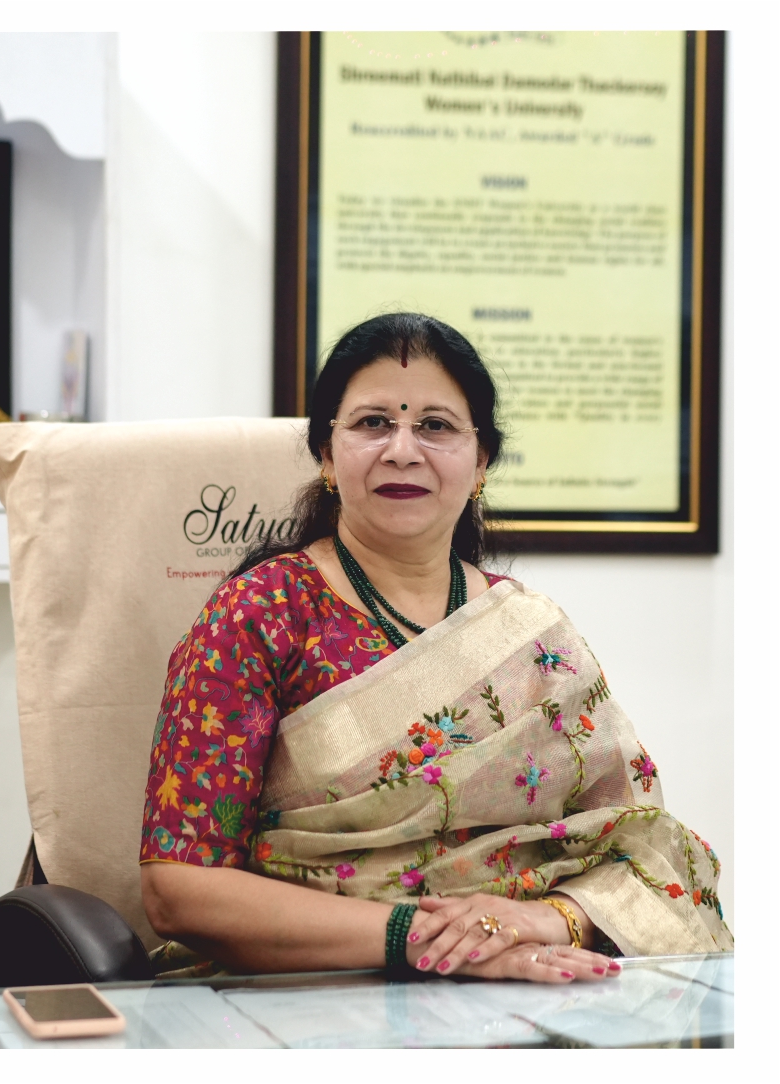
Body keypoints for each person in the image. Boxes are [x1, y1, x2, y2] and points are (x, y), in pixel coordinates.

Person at [139, 313, 732, 985]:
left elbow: (644, 846)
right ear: (327, 455)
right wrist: (432, 941)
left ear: (480, 463)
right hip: (304, 992)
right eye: (372, 423)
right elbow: (178, 889)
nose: (402, 449)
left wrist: (544, 921)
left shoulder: (532, 633)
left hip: (528, 986)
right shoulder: (259, 615)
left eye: (435, 426)